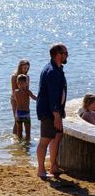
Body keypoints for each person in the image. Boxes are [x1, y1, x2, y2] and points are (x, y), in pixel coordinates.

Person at [35, 43, 68, 179]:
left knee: (58, 136)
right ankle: (41, 170)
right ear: (58, 55)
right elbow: (52, 95)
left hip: (55, 111)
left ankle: (53, 166)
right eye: (65, 53)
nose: (67, 55)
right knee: (45, 140)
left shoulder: (57, 68)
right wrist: (56, 115)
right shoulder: (52, 71)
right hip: (49, 112)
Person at [10, 59, 33, 134]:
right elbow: (14, 91)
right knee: (16, 121)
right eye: (24, 68)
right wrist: (18, 103)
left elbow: (27, 90)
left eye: (27, 68)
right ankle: (16, 139)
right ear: (20, 67)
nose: (26, 70)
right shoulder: (14, 77)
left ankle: (22, 140)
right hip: (15, 99)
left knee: (25, 122)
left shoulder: (27, 77)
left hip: (25, 101)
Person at [13, 74, 36, 140]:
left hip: (18, 114)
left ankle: (19, 147)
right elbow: (34, 98)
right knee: (28, 133)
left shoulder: (15, 92)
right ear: (26, 83)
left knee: (19, 132)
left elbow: (14, 99)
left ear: (17, 83)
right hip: (26, 114)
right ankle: (27, 147)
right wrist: (41, 97)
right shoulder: (28, 92)